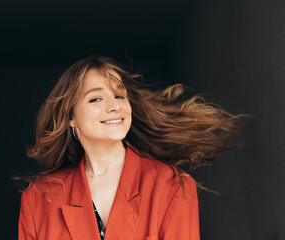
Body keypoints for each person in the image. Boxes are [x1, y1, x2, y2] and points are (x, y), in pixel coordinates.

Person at [17, 56, 247, 240]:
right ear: (70, 117)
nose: (114, 105)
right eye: (96, 99)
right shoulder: (39, 198)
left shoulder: (172, 185)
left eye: (119, 95)